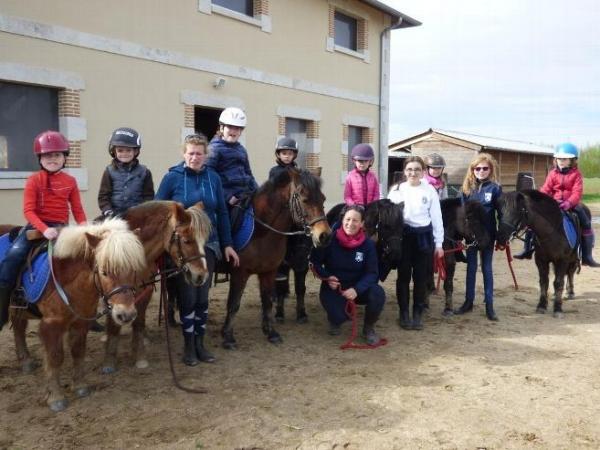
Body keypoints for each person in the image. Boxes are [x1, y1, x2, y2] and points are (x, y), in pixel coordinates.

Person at [155, 133, 240, 366]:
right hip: (183, 248)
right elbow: (158, 210)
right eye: (191, 153)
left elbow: (222, 213)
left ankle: (201, 344)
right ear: (184, 154)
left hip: (209, 245)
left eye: (199, 153)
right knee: (188, 297)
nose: (195, 157)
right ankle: (188, 346)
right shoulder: (172, 178)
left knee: (203, 298)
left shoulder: (213, 178)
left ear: (206, 155)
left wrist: (228, 244)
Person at [0, 131, 87, 330]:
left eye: (57, 155)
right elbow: (28, 210)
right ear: (40, 158)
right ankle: (4, 308)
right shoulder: (33, 180)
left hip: (62, 228)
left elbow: (77, 209)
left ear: (65, 157)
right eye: (48, 155)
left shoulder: (70, 181)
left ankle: (87, 311)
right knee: (13, 257)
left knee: (86, 259)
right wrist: (44, 229)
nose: (52, 159)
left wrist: (83, 228)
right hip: (37, 227)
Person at [514, 143, 599, 267]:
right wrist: (539, 199)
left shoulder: (576, 175)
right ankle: (527, 250)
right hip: (553, 202)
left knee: (585, 221)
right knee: (533, 220)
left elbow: (577, 192)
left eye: (565, 159)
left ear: (572, 160)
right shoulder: (553, 173)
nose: (561, 161)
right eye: (559, 158)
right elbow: (546, 189)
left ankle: (587, 256)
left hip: (571, 203)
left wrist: (569, 202)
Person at [309, 205, 385, 345]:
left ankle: (368, 328)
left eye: (355, 220)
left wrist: (357, 289)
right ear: (342, 220)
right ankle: (335, 320)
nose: (350, 224)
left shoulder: (368, 245)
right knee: (339, 317)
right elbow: (315, 263)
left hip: (357, 287)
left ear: (362, 223)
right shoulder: (329, 240)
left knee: (378, 293)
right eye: (347, 219)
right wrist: (327, 277)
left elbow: (372, 273)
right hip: (334, 287)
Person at [387, 156, 444, 330]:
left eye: (417, 169)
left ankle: (417, 313)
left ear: (423, 172)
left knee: (420, 278)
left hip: (423, 238)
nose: (413, 173)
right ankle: (404, 313)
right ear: (405, 171)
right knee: (403, 277)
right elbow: (389, 218)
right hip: (404, 238)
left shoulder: (429, 191)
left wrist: (439, 244)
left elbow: (437, 218)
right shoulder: (397, 190)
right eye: (410, 169)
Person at [454, 153, 502, 321]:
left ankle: (489, 306)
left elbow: (501, 214)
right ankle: (468, 302)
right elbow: (461, 215)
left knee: (487, 269)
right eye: (478, 168)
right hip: (471, 236)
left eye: (485, 168)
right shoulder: (466, 189)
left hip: (488, 236)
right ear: (472, 170)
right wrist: (461, 236)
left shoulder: (495, 189)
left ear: (490, 169)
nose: (481, 171)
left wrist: (502, 236)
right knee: (471, 268)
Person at [205, 107, 258, 230]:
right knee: (226, 228)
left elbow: (249, 174)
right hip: (227, 200)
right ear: (222, 128)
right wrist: (227, 197)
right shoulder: (213, 149)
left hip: (244, 195)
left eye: (237, 128)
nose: (233, 131)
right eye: (230, 127)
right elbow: (209, 178)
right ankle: (225, 247)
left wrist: (259, 191)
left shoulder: (241, 149)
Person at [98, 127, 154, 217]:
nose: (124, 154)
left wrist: (142, 211)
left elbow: (148, 196)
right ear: (114, 151)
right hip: (114, 216)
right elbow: (103, 196)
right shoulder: (109, 171)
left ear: (135, 151)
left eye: (128, 150)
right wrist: (107, 210)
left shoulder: (145, 172)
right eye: (120, 150)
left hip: (137, 216)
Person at [269, 137, 299, 282]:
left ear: (294, 155)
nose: (287, 156)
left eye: (290, 153)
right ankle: (277, 264)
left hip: (294, 209)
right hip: (278, 208)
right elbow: (273, 189)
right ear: (278, 155)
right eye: (284, 153)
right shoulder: (274, 171)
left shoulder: (297, 170)